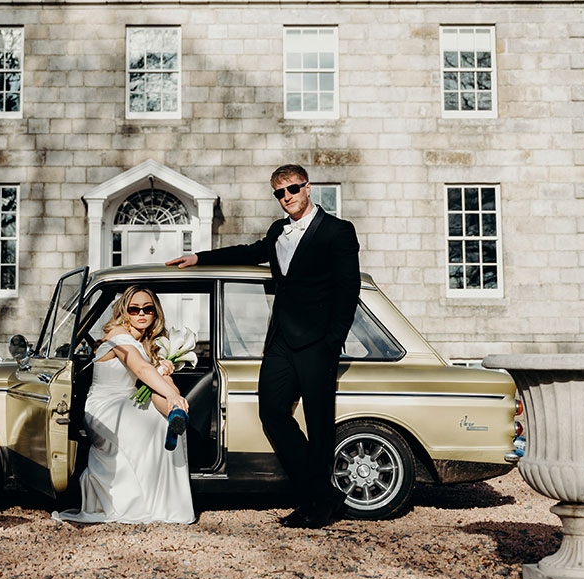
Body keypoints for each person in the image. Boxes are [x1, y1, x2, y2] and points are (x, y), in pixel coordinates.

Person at [167, 164, 360, 528]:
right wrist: (199, 258)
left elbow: (348, 292)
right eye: (279, 193)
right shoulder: (278, 230)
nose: (286, 198)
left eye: (292, 189)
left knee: (320, 426)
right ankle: (325, 494)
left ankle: (315, 506)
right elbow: (250, 250)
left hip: (319, 345)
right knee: (271, 411)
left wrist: (332, 343)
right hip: (281, 342)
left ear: (307, 188)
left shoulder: (337, 231)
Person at [54, 285, 195, 524]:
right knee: (151, 415)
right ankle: (175, 407)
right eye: (134, 309)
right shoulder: (118, 334)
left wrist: (163, 368)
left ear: (155, 313)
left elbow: (146, 373)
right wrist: (170, 392)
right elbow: (139, 368)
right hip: (104, 405)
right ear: (124, 311)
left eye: (148, 309)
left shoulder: (151, 341)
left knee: (164, 386)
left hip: (129, 400)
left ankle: (175, 414)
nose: (141, 314)